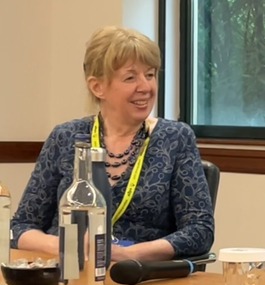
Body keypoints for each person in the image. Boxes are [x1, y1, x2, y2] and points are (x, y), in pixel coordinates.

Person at [11, 26, 214, 262]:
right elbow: (20, 227)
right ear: (98, 87)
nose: (146, 87)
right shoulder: (65, 138)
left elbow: (200, 231)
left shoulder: (175, 138)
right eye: (130, 77)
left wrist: (128, 254)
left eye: (150, 75)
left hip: (138, 277)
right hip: (69, 275)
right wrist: (67, 246)